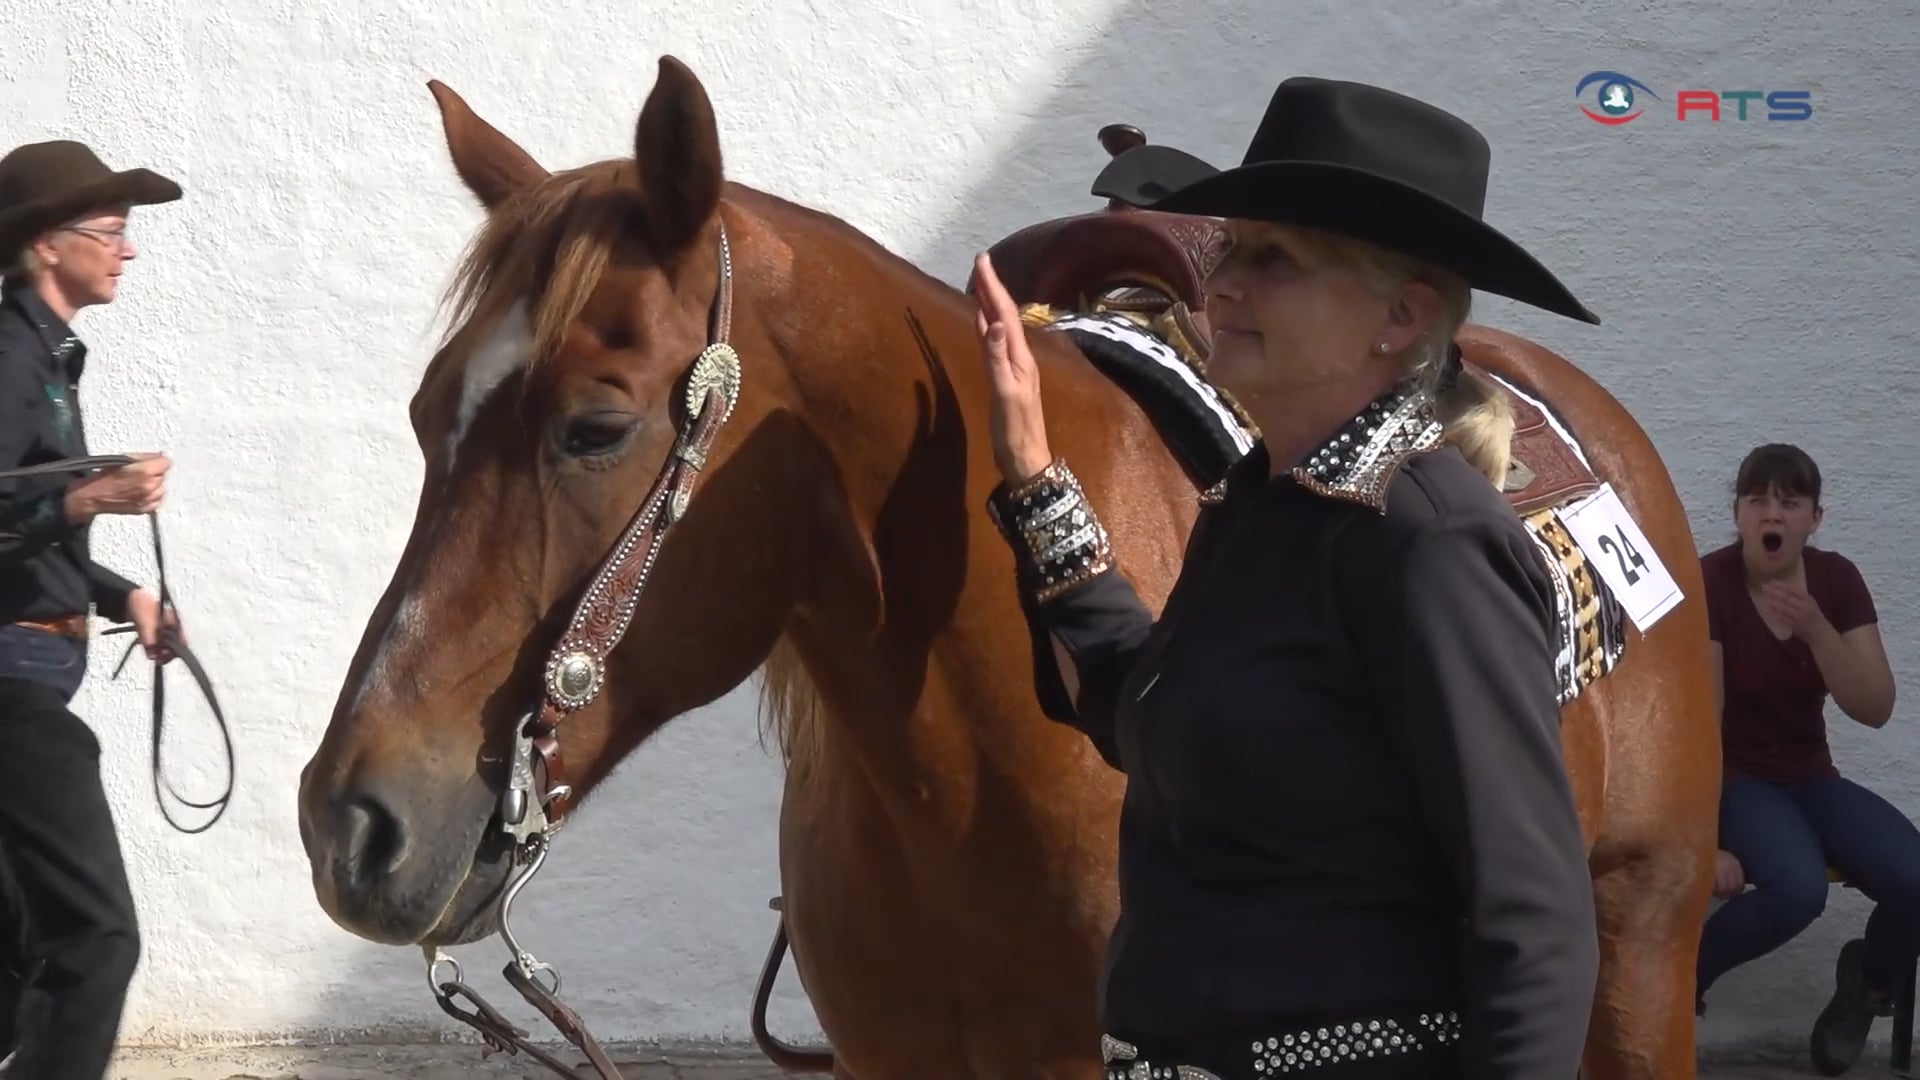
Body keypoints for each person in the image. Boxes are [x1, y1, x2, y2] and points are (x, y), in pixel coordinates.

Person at [967, 77, 1601, 1080]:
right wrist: (1038, 479)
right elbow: (1141, 711)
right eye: (1231, 250)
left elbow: (1533, 916)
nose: (1220, 286)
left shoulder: (1426, 539)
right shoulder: (1260, 504)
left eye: (1277, 260)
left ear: (1400, 314)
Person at [0, 138, 186, 1079]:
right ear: (45, 245)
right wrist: (86, 499)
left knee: (13, 949)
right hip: (11, 696)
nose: (128, 249)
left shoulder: (49, 359)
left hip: (27, 682)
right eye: (109, 232)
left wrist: (126, 595)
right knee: (95, 939)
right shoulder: (6, 356)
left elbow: (30, 528)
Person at [1694, 442, 1906, 1076]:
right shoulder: (1711, 581)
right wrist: (1707, 840)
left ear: (1815, 519)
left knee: (1916, 878)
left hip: (1811, 779)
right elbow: (1700, 724)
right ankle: (1680, 977)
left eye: (1790, 502)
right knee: (1797, 890)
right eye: (1757, 500)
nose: (1772, 514)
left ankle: (1865, 988)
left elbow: (1874, 707)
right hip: (1737, 780)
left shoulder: (1836, 581)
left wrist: (1818, 631)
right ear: (1737, 515)